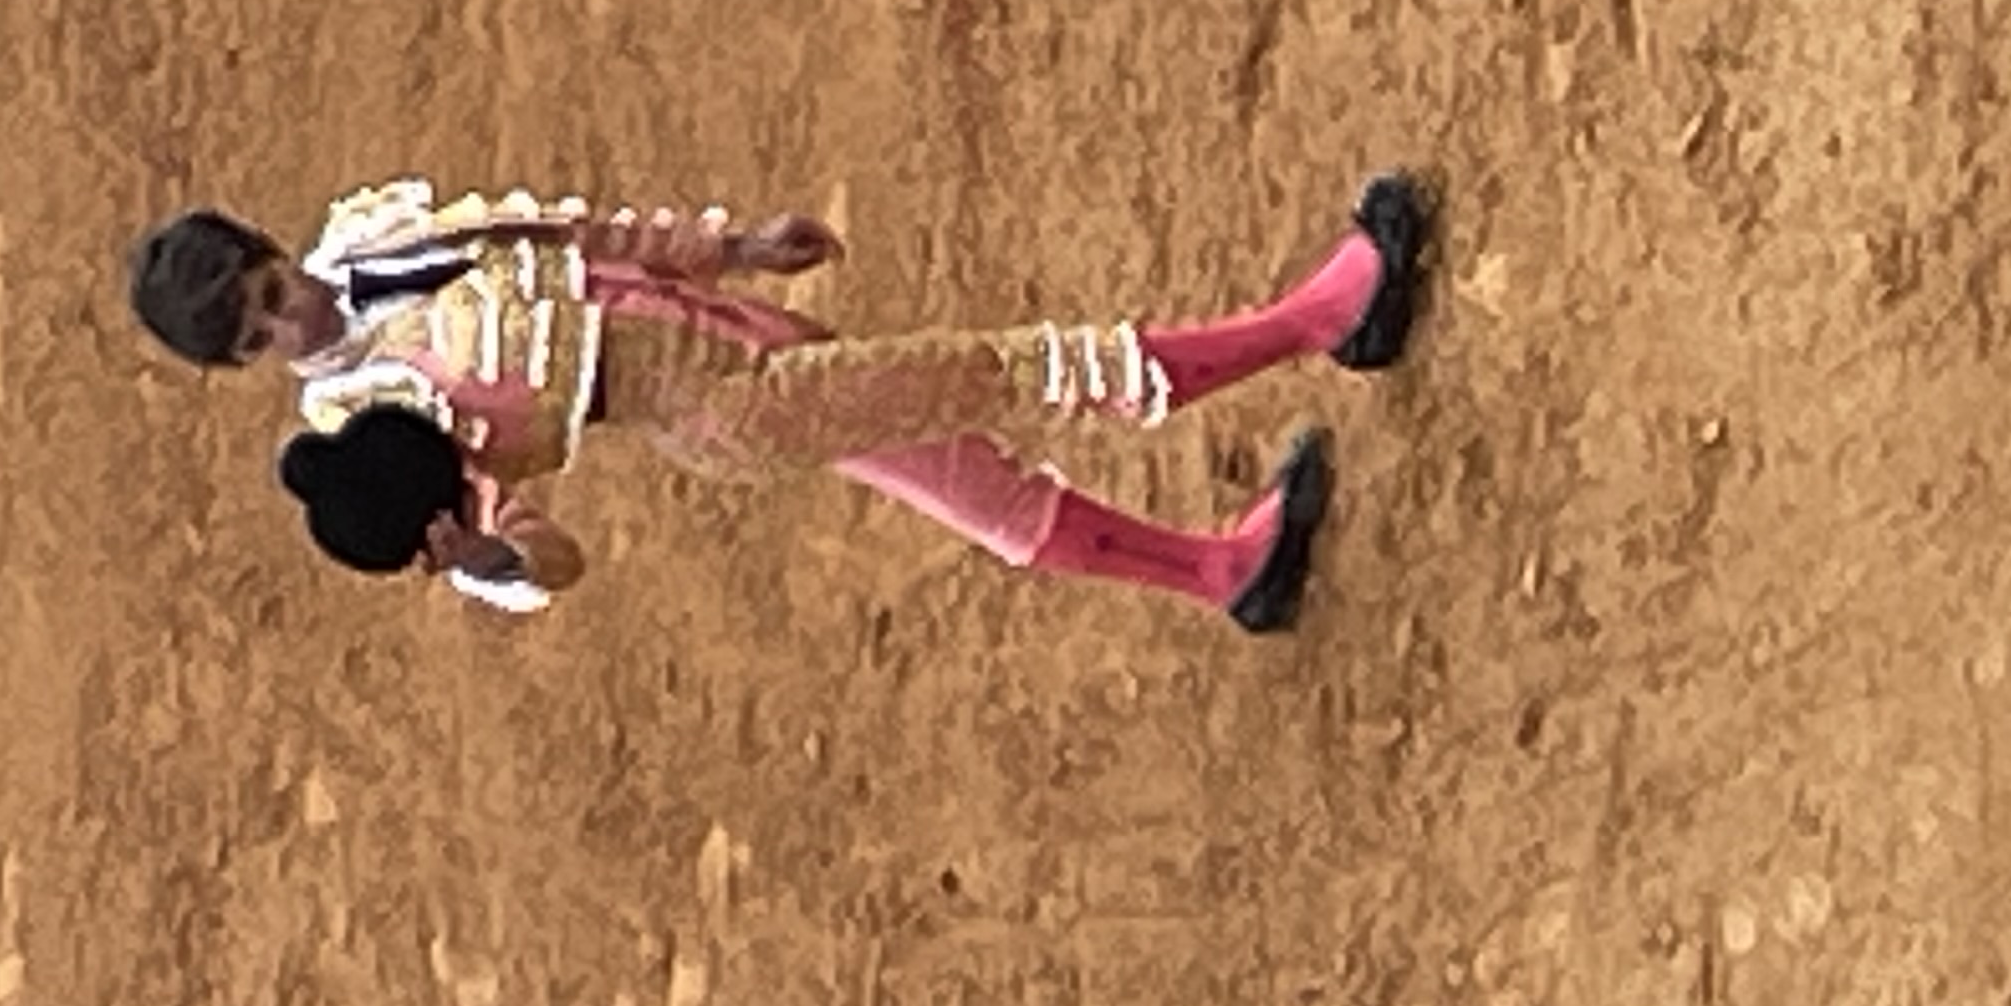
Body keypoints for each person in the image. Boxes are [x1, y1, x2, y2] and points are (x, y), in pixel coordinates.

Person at [128, 173, 1431, 630]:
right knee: (1005, 369)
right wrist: (485, 556)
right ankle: (1323, 317)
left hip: (736, 332)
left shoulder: (375, 239)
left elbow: (564, 234)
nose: (284, 316)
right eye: (254, 335)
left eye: (265, 285)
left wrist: (727, 249)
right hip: (732, 410)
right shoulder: (361, 443)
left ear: (270, 248)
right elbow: (545, 559)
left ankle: (1222, 573)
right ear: (246, 366)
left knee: (970, 480)